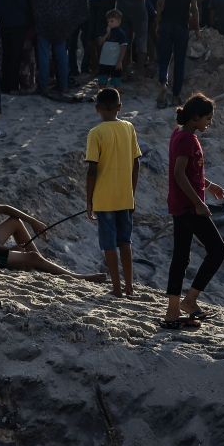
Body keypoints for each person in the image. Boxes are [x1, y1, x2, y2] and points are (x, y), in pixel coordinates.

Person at [0, 163, 104, 279]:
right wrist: (10, 250)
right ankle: (75, 277)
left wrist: (33, 221)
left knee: (15, 221)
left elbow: (6, 209)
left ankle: (41, 263)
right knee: (33, 257)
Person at [159, 94, 224, 331]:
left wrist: (209, 186)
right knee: (218, 250)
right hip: (188, 206)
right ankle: (189, 300)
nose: (209, 122)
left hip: (182, 204)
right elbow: (179, 174)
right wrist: (199, 202)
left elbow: (190, 172)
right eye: (207, 118)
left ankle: (172, 310)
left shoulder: (181, 133)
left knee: (181, 256)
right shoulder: (186, 138)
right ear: (196, 117)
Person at [85, 87, 141, 298]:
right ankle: (129, 287)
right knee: (125, 242)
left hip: (104, 199)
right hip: (125, 197)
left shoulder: (95, 133)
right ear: (119, 107)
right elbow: (136, 164)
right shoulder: (129, 128)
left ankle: (116, 288)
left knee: (109, 245)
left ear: (97, 109)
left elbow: (92, 170)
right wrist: (131, 192)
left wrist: (89, 200)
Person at [32, 0, 86, 97]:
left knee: (43, 54)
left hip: (44, 21)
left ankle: (43, 86)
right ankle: (64, 86)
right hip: (62, 21)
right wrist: (70, 11)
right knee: (62, 53)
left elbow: (37, 1)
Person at [154, 0, 201, 107]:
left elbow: (160, 3)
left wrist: (157, 23)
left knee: (164, 59)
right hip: (182, 27)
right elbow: (194, 9)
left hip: (166, 24)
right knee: (179, 62)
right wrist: (197, 29)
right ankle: (175, 96)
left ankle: (163, 85)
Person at [94, 9, 130, 87]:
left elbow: (123, 48)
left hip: (115, 63)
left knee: (116, 82)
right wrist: (107, 34)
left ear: (119, 21)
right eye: (108, 22)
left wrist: (119, 61)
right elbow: (99, 43)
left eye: (112, 21)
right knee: (102, 82)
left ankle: (115, 97)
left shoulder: (121, 33)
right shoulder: (105, 31)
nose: (109, 23)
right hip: (104, 62)